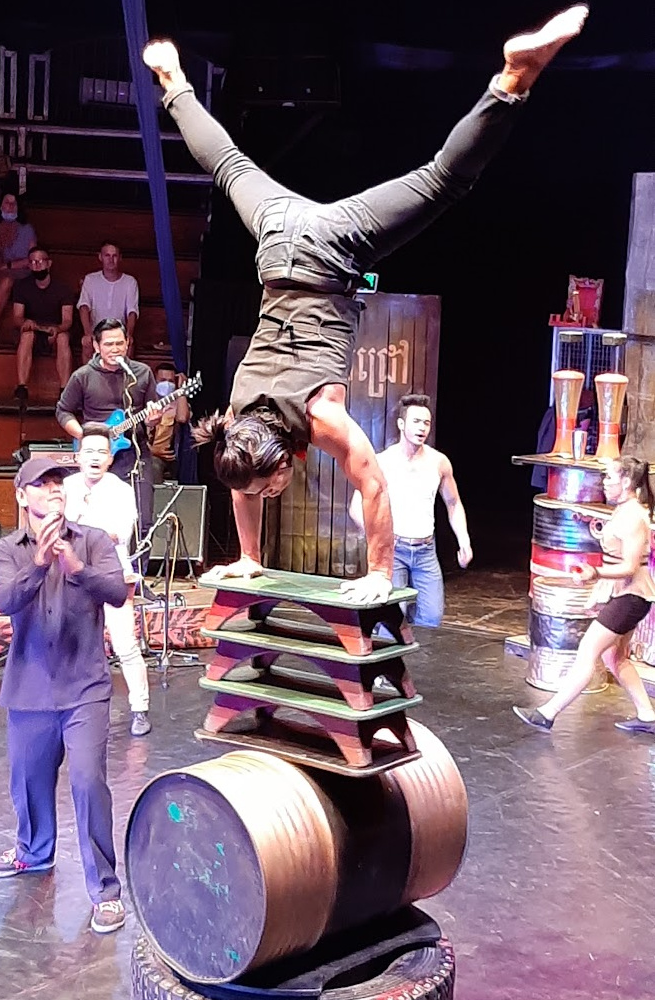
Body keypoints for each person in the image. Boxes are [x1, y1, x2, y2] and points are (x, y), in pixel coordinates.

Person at [143, 5, 589, 604]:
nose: (272, 492)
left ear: (280, 458)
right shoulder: (234, 426)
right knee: (229, 169)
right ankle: (173, 82)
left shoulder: (319, 421)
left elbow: (374, 485)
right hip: (277, 242)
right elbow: (240, 484)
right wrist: (249, 558)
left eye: (274, 484)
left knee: (441, 184)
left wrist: (379, 572)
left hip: (328, 255)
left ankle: (513, 79)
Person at [0, 456, 128, 933]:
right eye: (42, 484)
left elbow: (117, 592)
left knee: (89, 784)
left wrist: (74, 566)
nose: (54, 491)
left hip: (84, 688)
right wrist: (41, 563)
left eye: (58, 484)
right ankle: (34, 853)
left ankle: (105, 892)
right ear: (22, 496)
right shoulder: (7, 550)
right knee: (27, 784)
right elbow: (4, 599)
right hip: (28, 690)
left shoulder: (92, 541)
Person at [514, 456, 655, 736]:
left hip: (631, 598)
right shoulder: (623, 510)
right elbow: (617, 539)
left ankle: (547, 713)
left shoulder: (634, 516)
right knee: (616, 658)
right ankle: (648, 716)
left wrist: (595, 573)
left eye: (609, 477)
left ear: (626, 482)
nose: (604, 482)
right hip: (626, 595)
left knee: (588, 652)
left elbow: (628, 566)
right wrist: (593, 521)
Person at [349, 394, 472, 628]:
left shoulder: (439, 462)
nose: (422, 428)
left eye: (426, 423)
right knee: (391, 619)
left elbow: (453, 503)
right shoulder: (383, 462)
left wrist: (463, 541)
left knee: (431, 617)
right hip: (394, 550)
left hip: (426, 550)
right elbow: (356, 507)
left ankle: (420, 663)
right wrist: (379, 537)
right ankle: (389, 663)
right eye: (416, 421)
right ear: (401, 424)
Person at [64, 423, 152, 736]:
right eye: (89, 451)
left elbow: (118, 534)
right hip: (74, 577)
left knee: (125, 644)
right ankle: (77, 707)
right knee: (74, 644)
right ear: (78, 456)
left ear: (110, 459)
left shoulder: (121, 490)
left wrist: (81, 528)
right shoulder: (67, 488)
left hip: (113, 574)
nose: (95, 457)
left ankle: (140, 708)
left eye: (102, 452)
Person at [55, 318, 161, 541]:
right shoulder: (83, 376)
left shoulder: (141, 373)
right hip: (97, 455)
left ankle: (135, 574)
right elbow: (63, 411)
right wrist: (87, 437)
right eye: (109, 344)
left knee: (143, 523)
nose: (115, 349)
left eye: (119, 343)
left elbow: (151, 418)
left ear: (128, 342)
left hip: (134, 452)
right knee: (93, 518)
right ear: (96, 346)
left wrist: (153, 420)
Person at [12, 245, 76, 406]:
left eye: (40, 261)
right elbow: (17, 317)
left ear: (49, 263)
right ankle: (22, 387)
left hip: (54, 332)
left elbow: (67, 320)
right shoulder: (22, 287)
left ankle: (64, 389)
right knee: (26, 335)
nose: (36, 265)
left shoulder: (62, 289)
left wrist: (57, 329)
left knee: (63, 338)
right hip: (33, 332)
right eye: (33, 262)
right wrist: (25, 322)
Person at [77, 241, 140, 363]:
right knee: (86, 343)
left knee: (129, 344)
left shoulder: (130, 282)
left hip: (118, 332)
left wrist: (128, 334)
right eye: (107, 255)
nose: (111, 260)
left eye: (114, 256)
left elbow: (132, 311)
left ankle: (124, 381)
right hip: (97, 332)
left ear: (120, 258)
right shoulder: (90, 279)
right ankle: (89, 381)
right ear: (100, 257)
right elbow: (84, 307)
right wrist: (87, 333)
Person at [0, 192, 37, 342]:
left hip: (22, 273)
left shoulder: (27, 229)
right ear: (0, 205)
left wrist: (9, 265)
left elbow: (33, 257)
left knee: (8, 280)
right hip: (0, 273)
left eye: (13, 203)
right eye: (6, 203)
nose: (9, 207)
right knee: (5, 280)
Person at [149, 363, 191, 483]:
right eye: (162, 380)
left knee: (154, 466)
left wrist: (181, 391)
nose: (166, 384)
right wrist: (151, 450)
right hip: (144, 452)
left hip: (166, 458)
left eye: (170, 381)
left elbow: (182, 418)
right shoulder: (145, 402)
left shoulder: (179, 404)